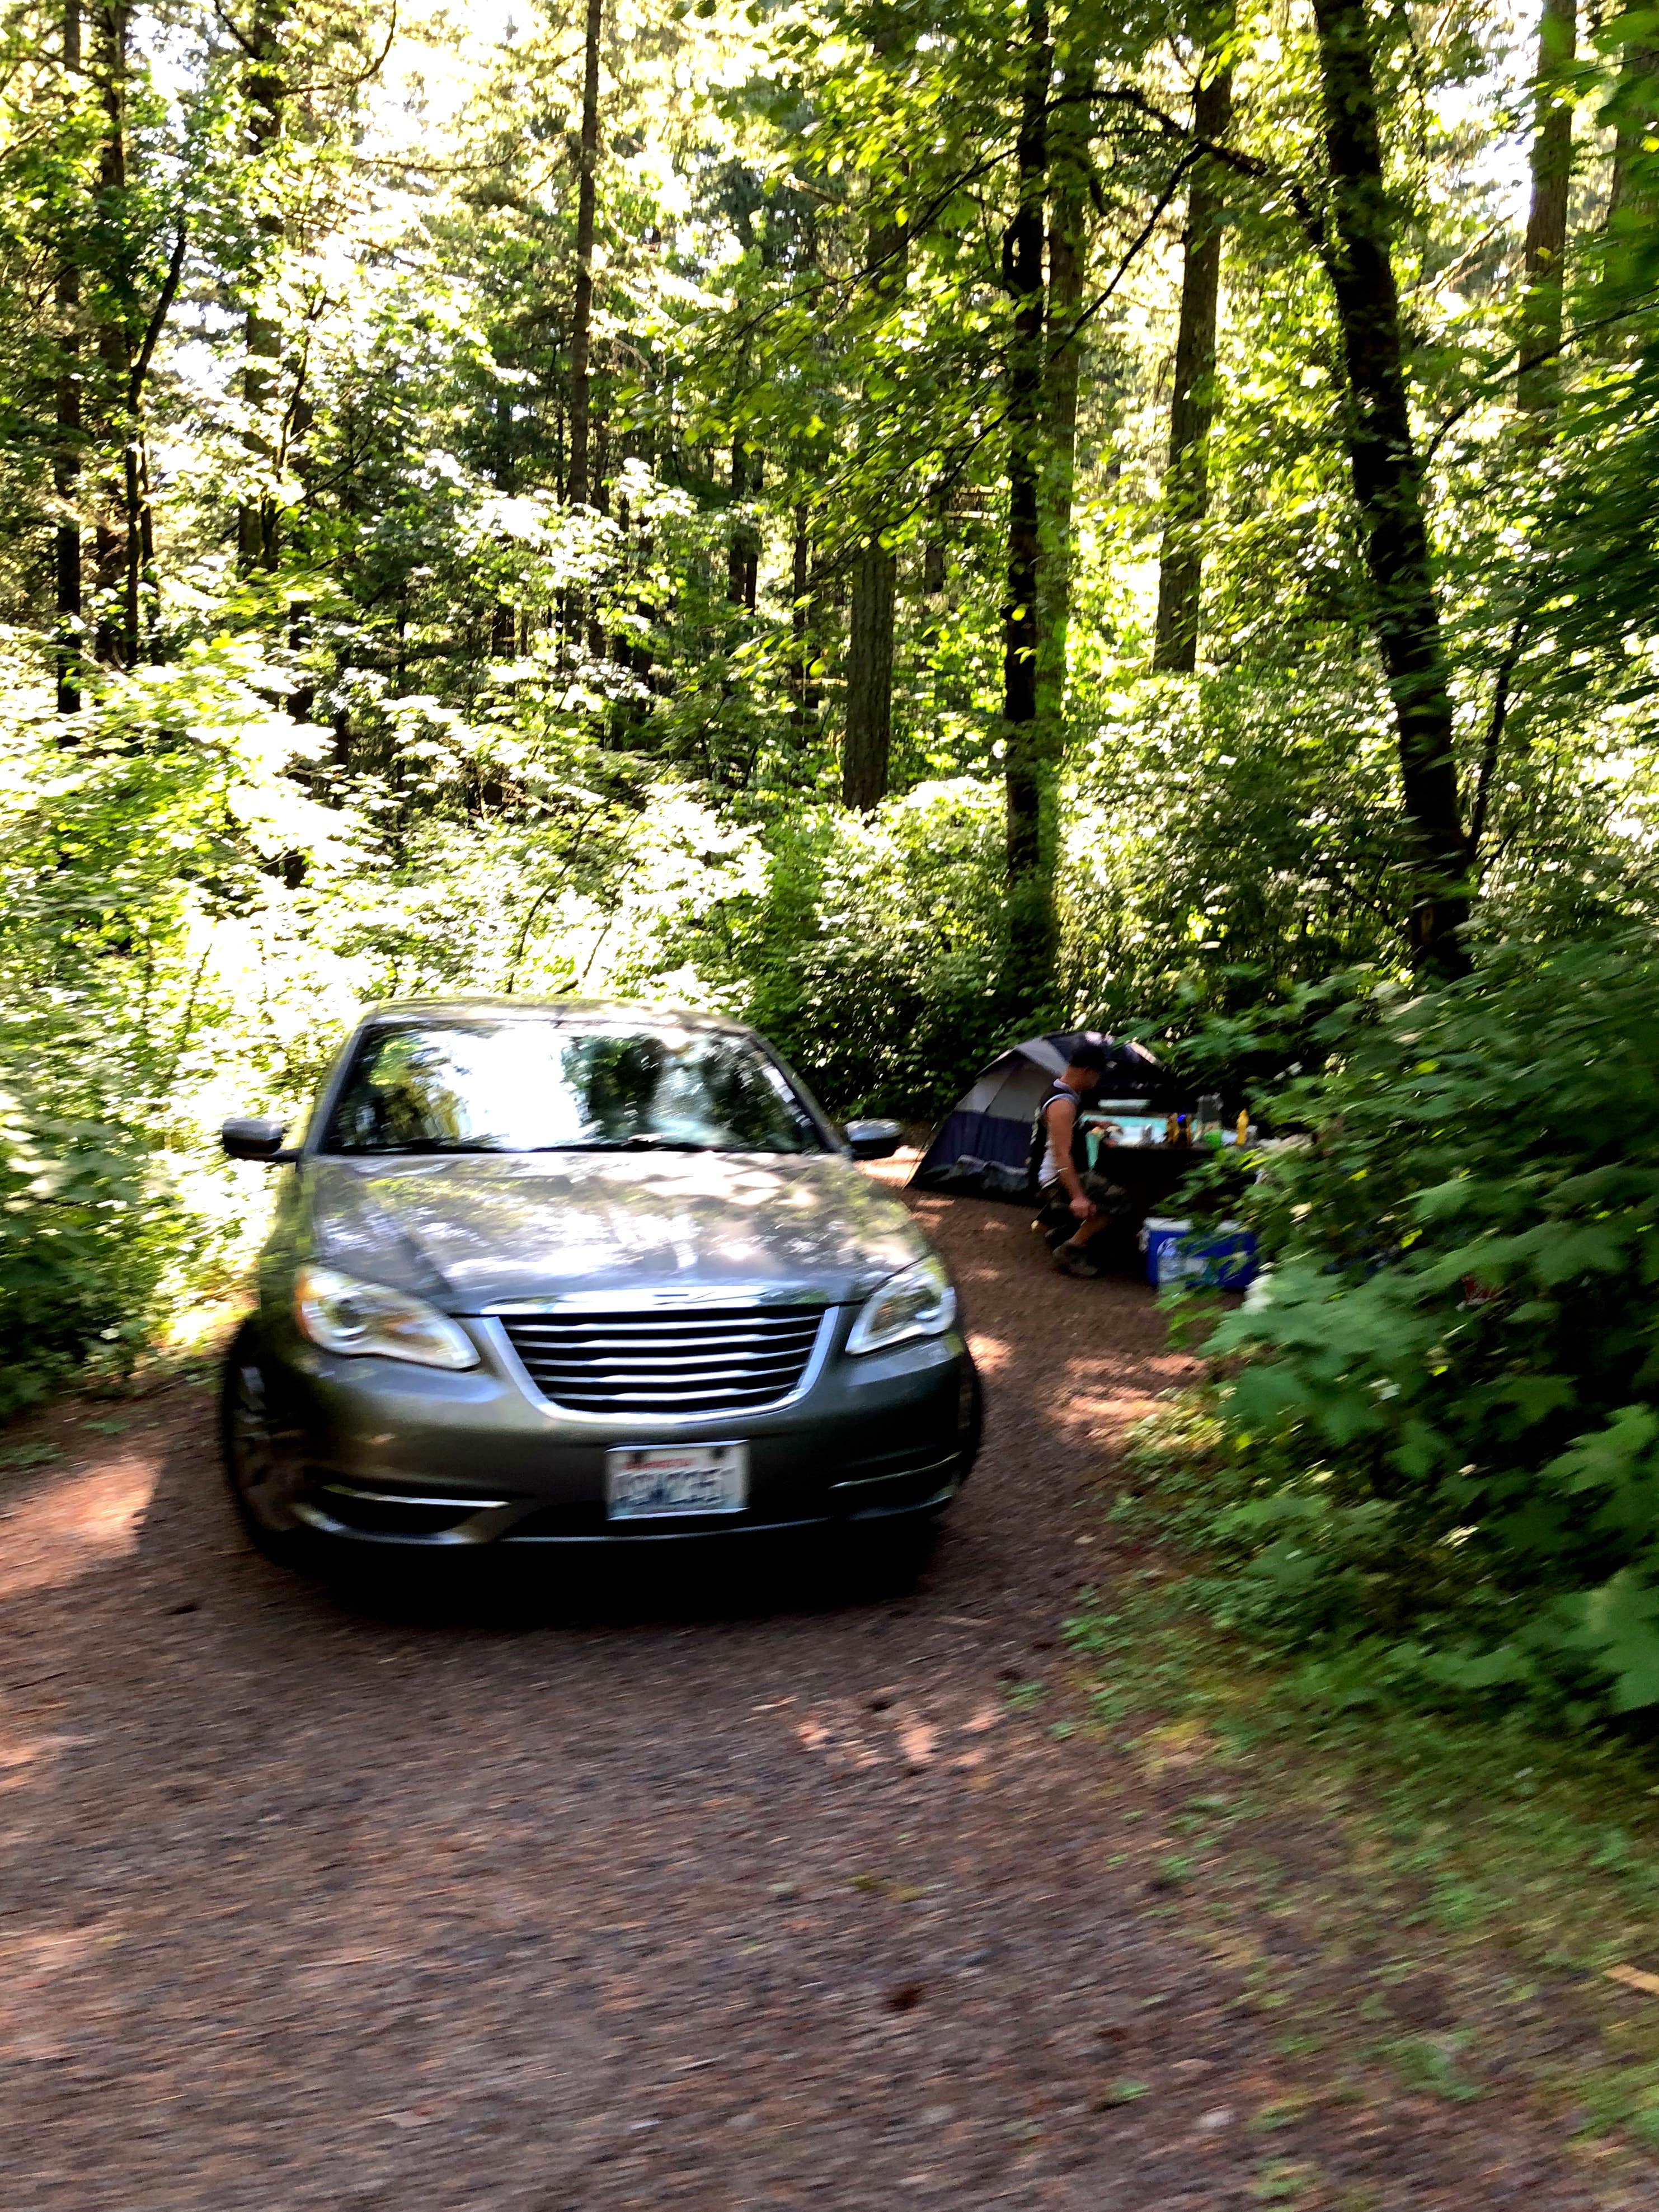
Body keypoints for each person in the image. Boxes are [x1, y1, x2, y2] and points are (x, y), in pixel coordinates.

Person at [1029, 1041, 1124, 1279]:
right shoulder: (1062, 1104)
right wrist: (1078, 1197)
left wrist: (1094, 1124)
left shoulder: (1064, 1091)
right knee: (1119, 1199)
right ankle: (1071, 1248)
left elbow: (1066, 1128)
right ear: (1087, 1071)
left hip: (1055, 1173)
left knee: (1108, 1180)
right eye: (1098, 1072)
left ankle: (1061, 1232)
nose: (1099, 1078)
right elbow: (1062, 1154)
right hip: (1053, 1180)